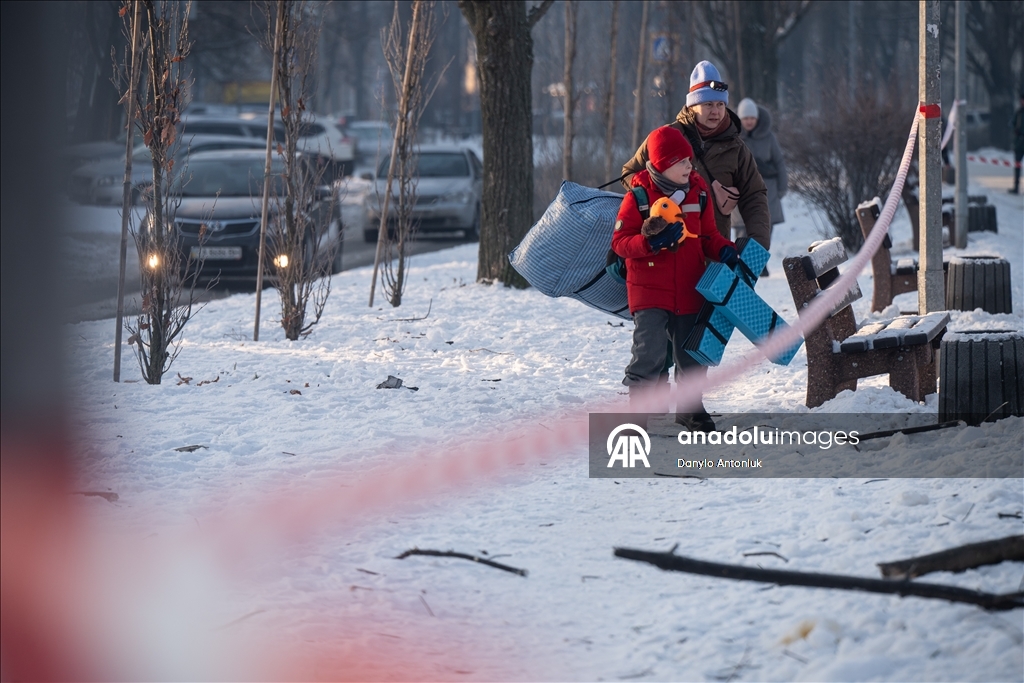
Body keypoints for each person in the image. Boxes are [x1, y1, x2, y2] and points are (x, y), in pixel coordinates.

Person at [611, 125, 737, 431]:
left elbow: (708, 235)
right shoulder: (639, 197)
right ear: (662, 165)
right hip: (649, 290)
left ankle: (690, 409)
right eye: (680, 162)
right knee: (649, 351)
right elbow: (620, 243)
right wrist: (650, 243)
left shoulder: (699, 192)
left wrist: (724, 249)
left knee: (691, 353)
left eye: (689, 160)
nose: (688, 166)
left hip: (690, 287)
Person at [621, 60, 771, 251]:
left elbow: (754, 195)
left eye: (720, 104)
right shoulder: (665, 138)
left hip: (714, 253)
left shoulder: (736, 148)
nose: (715, 111)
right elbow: (629, 173)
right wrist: (656, 190)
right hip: (668, 252)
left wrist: (758, 245)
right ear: (692, 105)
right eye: (708, 104)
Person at [734, 97, 788, 263]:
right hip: (741, 190)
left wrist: (782, 187)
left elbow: (779, 162)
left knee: (764, 229)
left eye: (752, 118)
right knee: (743, 230)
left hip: (767, 190)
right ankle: (743, 263)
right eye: (746, 118)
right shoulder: (733, 138)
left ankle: (758, 263)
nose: (749, 121)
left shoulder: (769, 137)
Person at [1011, 91, 1024, 195]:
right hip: (1019, 142)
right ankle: (1016, 186)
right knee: (1017, 165)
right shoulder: (1019, 112)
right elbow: (1012, 123)